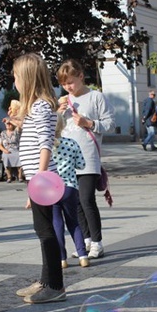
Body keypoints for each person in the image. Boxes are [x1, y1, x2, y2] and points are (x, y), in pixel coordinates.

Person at [13, 53, 65, 304]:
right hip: (38, 179)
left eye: (16, 76)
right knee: (42, 229)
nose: (14, 81)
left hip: (43, 180)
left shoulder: (42, 106)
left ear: (27, 78)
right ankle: (46, 280)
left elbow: (46, 145)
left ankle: (55, 286)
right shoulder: (36, 107)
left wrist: (39, 181)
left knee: (46, 232)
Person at [57, 59, 115, 259]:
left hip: (88, 155)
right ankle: (86, 240)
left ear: (81, 76)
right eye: (64, 84)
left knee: (86, 199)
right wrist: (57, 113)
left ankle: (97, 242)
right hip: (67, 158)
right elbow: (57, 129)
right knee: (75, 202)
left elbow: (109, 123)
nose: (67, 87)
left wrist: (88, 123)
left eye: (70, 82)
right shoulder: (64, 100)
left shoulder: (96, 97)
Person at [51, 113, 89, 269]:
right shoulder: (71, 143)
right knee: (74, 222)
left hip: (52, 189)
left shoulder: (46, 147)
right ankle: (82, 256)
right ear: (63, 126)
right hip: (70, 187)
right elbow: (81, 165)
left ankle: (62, 259)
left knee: (56, 223)